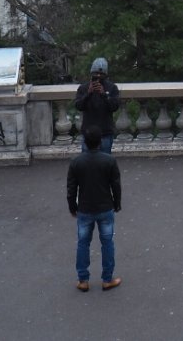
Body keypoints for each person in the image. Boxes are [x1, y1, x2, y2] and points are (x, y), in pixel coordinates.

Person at [66, 125, 122, 292]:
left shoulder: (76, 162)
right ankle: (107, 279)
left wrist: (72, 207)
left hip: (84, 208)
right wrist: (117, 203)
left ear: (85, 141)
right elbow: (116, 186)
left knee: (83, 243)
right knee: (107, 243)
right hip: (105, 206)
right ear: (99, 142)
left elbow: (71, 188)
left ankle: (83, 280)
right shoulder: (109, 161)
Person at [75, 57, 121, 153]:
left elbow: (114, 107)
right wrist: (88, 94)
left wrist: (104, 95)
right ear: (92, 73)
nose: (98, 76)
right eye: (96, 73)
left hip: (105, 132)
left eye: (101, 74)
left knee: (105, 161)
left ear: (106, 75)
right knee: (87, 162)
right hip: (88, 133)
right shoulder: (83, 88)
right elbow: (79, 106)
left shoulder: (112, 87)